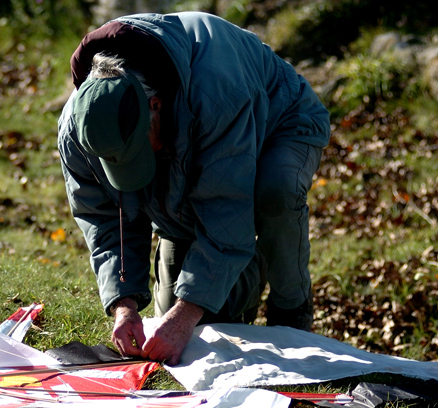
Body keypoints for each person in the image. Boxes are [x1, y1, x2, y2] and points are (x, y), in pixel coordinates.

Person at [57, 12, 331, 365]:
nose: (137, 163)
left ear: (155, 106)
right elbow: (105, 219)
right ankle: (228, 272)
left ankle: (291, 309)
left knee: (274, 193)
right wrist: (123, 306)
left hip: (280, 119)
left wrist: (185, 316)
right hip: (192, 129)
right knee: (185, 333)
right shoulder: (80, 128)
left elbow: (225, 211)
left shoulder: (217, 96)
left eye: (140, 150)